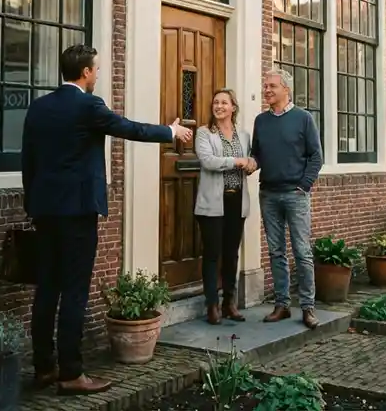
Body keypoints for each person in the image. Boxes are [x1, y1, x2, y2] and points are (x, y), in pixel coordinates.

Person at [21, 44, 192, 396]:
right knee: (74, 292)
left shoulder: (39, 107)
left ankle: (44, 368)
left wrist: (34, 205)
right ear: (85, 72)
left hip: (45, 211)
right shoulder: (87, 105)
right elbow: (128, 128)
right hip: (78, 212)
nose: (97, 74)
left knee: (47, 289)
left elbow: (29, 162)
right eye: (96, 69)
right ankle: (71, 373)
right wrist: (170, 132)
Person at [250, 68, 323, 329]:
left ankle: (308, 307)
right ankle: (282, 305)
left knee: (302, 252)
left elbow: (316, 157)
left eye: (272, 86)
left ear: (286, 89)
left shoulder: (303, 119)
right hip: (268, 194)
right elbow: (257, 154)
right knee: (276, 251)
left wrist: (303, 186)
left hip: (295, 195)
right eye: (265, 86)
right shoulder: (261, 121)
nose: (267, 90)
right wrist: (250, 163)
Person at [193, 89, 257, 325]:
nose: (218, 106)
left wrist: (251, 164)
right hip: (212, 202)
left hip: (236, 202)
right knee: (212, 254)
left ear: (233, 108)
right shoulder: (204, 133)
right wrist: (237, 161)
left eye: (224, 103)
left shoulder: (244, 135)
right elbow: (208, 161)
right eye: (215, 102)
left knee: (231, 254)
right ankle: (212, 304)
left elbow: (250, 161)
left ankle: (229, 303)